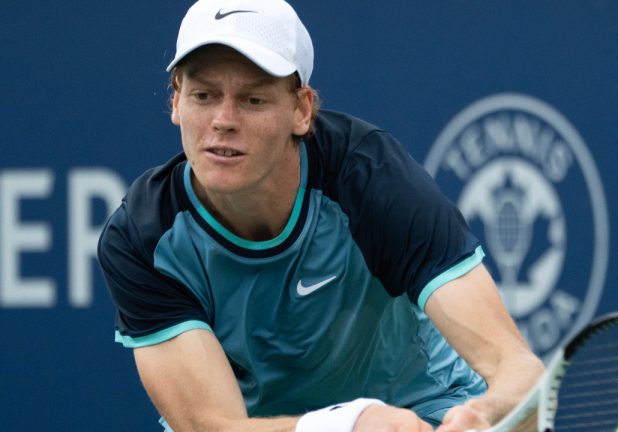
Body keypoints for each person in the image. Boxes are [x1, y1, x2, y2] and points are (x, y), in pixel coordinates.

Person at [97, 0, 544, 431]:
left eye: (253, 99)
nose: (223, 120)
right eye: (203, 95)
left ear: (302, 110)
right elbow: (212, 427)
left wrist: (484, 415)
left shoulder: (371, 180)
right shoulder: (145, 237)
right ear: (176, 102)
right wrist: (347, 424)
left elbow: (518, 370)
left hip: (422, 410)